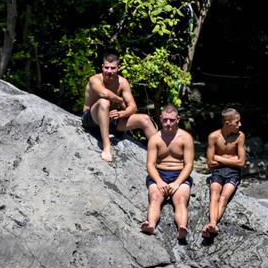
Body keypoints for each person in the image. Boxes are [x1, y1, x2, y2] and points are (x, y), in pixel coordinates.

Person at [82, 53, 157, 163]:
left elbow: (133, 107)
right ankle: (107, 147)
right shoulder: (95, 79)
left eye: (113, 68)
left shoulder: (122, 82)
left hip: (111, 120)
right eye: (106, 67)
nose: (109, 71)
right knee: (104, 102)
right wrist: (120, 100)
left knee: (145, 119)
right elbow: (103, 93)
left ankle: (164, 154)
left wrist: (122, 114)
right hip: (92, 119)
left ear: (118, 68)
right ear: (102, 67)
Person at [141, 104, 195, 242]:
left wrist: (177, 183)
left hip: (180, 175)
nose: (168, 123)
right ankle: (151, 224)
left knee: (181, 200)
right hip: (159, 174)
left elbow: (189, 165)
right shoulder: (155, 138)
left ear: (178, 119)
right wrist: (159, 181)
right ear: (160, 118)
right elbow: (150, 164)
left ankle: (182, 227)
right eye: (165, 120)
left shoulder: (186, 138)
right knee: (155, 197)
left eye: (171, 120)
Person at [202, 108, 246, 238]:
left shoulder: (240, 136)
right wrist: (232, 159)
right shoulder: (214, 137)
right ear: (227, 123)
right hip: (218, 172)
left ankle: (212, 223)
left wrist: (219, 158)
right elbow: (210, 163)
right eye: (237, 122)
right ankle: (212, 224)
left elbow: (241, 163)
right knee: (214, 195)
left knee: (224, 198)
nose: (240, 125)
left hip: (233, 173)